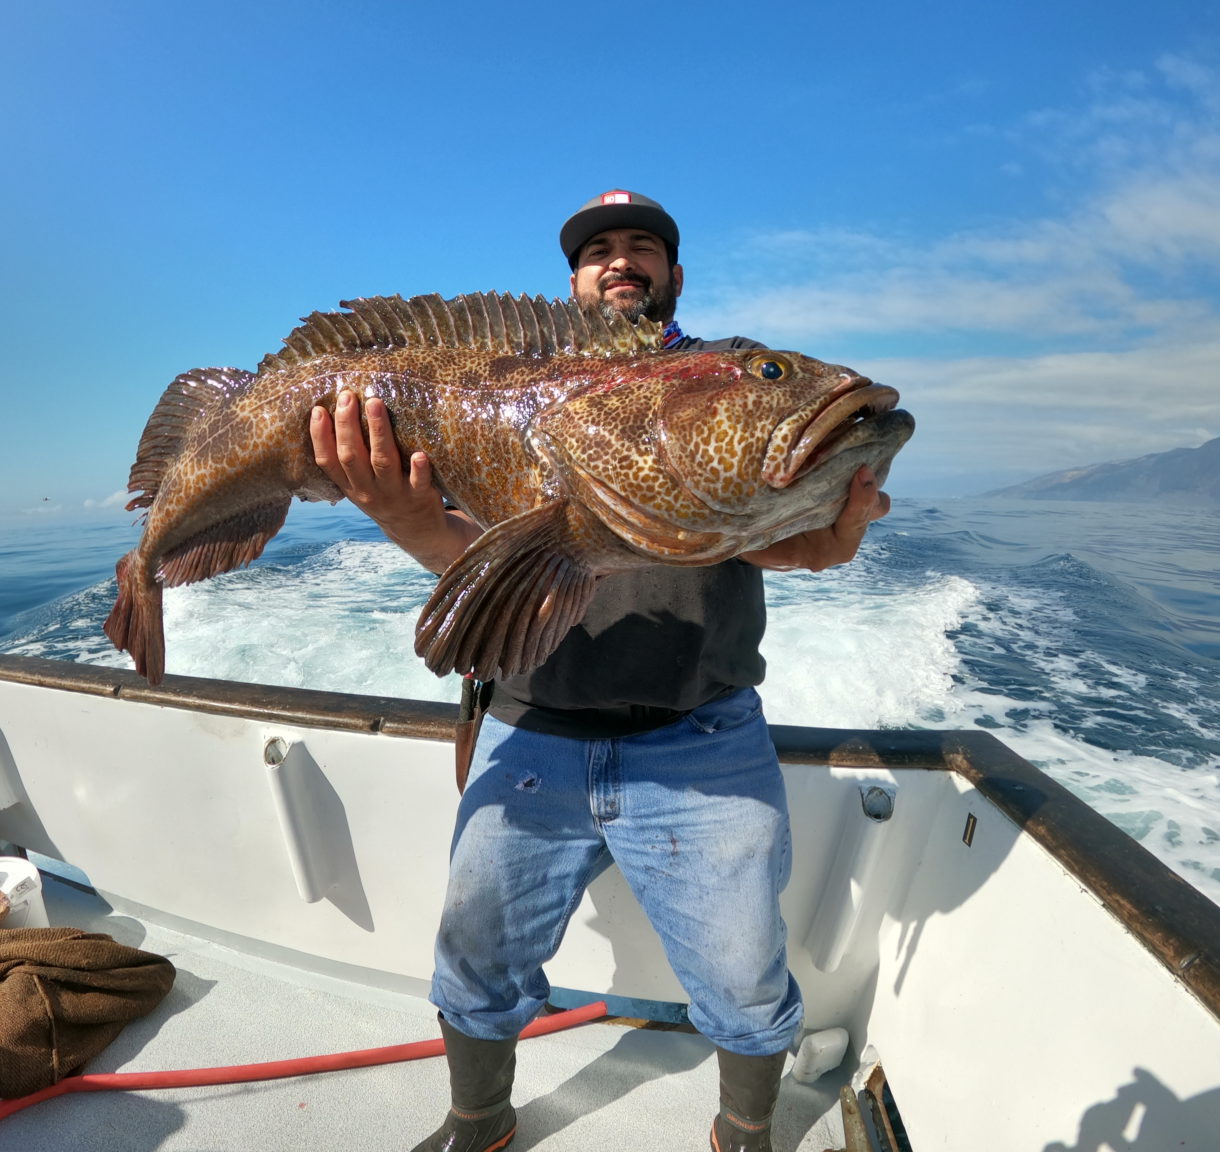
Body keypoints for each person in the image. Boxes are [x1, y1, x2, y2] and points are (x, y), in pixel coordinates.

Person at [310, 190, 890, 1152]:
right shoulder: (513, 393)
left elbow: (793, 544)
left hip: (703, 737)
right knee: (477, 953)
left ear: (673, 275)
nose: (622, 263)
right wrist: (409, 519)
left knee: (747, 974)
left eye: (643, 249)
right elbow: (479, 550)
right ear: (573, 282)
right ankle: (479, 1123)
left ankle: (744, 1132)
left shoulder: (716, 390)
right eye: (599, 253)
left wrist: (830, 534)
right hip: (533, 729)